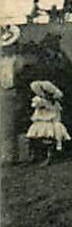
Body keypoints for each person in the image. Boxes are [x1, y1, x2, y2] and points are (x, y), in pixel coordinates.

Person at [26, 80, 69, 163]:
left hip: (50, 123)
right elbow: (37, 108)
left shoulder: (53, 104)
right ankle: (34, 156)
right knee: (33, 137)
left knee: (49, 138)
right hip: (40, 122)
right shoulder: (38, 100)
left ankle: (50, 156)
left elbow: (55, 115)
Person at [0, 26, 22, 166]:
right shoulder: (3, 61)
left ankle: (10, 155)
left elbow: (16, 78)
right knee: (5, 125)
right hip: (3, 92)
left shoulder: (17, 60)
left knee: (10, 125)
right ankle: (7, 154)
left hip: (13, 92)